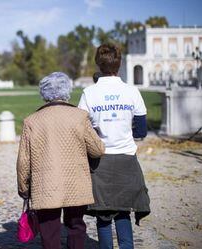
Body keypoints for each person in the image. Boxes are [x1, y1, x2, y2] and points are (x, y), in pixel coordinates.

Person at [16, 72, 105, 249]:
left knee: (49, 231)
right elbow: (97, 150)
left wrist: (23, 188)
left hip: (46, 185)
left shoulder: (32, 121)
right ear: (67, 91)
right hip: (76, 183)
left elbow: (23, 161)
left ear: (44, 93)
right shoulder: (80, 116)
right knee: (76, 227)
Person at [78, 43, 150, 249]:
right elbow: (141, 131)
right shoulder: (132, 91)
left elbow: (81, 128)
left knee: (103, 214)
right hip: (126, 158)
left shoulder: (89, 93)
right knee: (123, 211)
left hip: (100, 159)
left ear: (98, 65)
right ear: (119, 64)